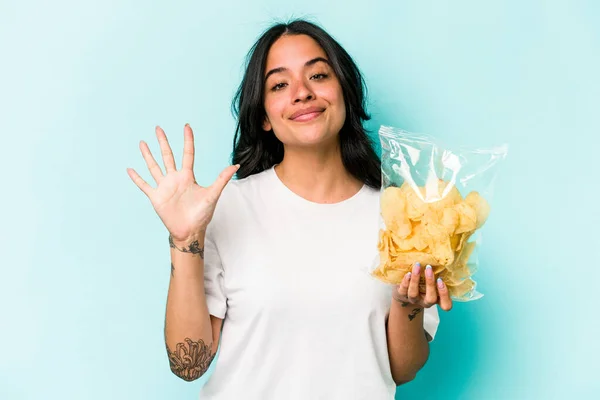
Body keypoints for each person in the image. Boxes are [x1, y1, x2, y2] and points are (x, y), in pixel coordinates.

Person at [127, 19, 453, 400]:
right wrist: (185, 241)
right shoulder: (226, 209)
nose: (302, 93)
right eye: (280, 85)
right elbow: (189, 365)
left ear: (344, 92)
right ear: (263, 116)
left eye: (318, 75)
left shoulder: (403, 216)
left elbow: (401, 369)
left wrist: (405, 305)